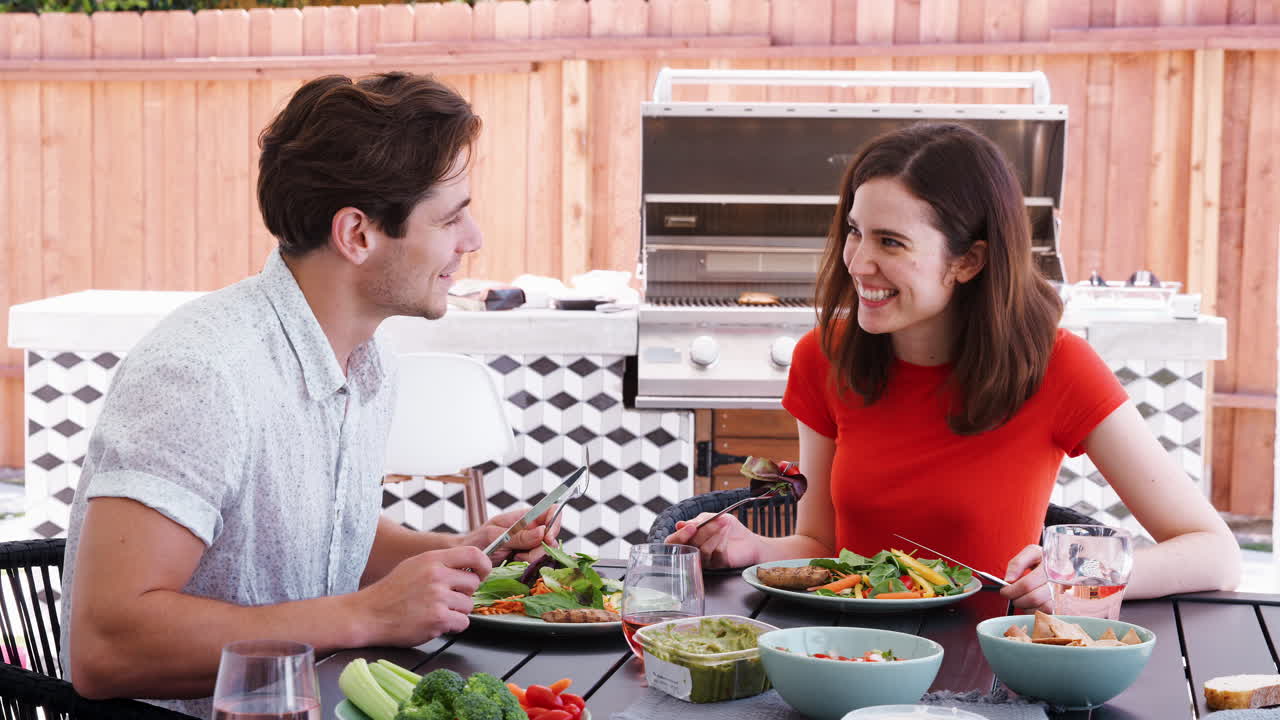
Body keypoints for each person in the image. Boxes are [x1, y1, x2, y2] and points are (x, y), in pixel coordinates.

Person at [60, 73, 558, 714]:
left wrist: (462, 555)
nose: (474, 238)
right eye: (452, 216)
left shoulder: (367, 362)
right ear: (357, 234)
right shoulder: (201, 373)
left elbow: (319, 535)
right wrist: (367, 616)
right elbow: (106, 649)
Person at [667, 122, 1240, 609]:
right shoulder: (824, 358)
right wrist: (753, 550)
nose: (859, 262)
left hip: (994, 680)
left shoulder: (1057, 367)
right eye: (855, 232)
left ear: (969, 260)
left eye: (891, 243)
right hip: (845, 659)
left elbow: (1214, 552)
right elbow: (823, 544)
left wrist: (1086, 571)